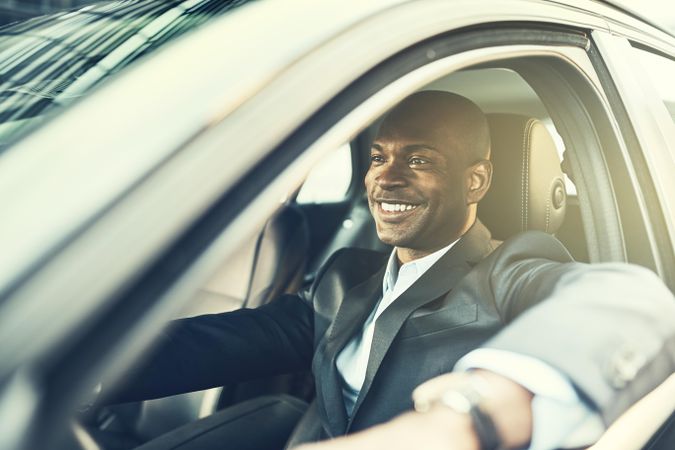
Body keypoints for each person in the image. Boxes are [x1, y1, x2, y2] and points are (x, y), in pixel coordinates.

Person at [108, 91, 675, 450]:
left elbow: (632, 298)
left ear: (474, 182)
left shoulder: (512, 265)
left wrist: (465, 419)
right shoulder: (344, 277)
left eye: (420, 160)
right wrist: (81, 370)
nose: (387, 177)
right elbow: (219, 343)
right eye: (379, 157)